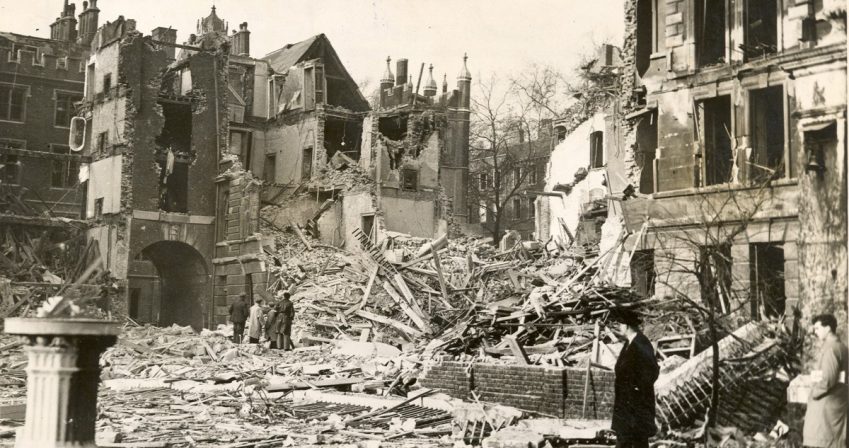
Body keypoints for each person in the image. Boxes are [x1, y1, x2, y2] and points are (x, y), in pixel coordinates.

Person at [611, 308, 659, 448]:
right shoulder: (629, 343)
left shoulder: (641, 343)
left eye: (620, 324)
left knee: (637, 440)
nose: (619, 327)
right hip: (626, 405)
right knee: (626, 439)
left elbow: (652, 370)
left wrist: (637, 388)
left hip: (637, 405)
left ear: (626, 326)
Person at [803, 313, 847, 448]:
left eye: (817, 328)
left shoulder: (831, 349)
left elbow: (828, 379)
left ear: (827, 328)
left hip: (828, 406)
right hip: (838, 400)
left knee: (824, 441)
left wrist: (813, 393)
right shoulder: (841, 347)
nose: (815, 332)